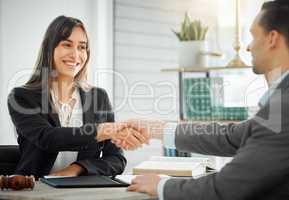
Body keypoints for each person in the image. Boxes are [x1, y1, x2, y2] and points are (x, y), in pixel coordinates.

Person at [115, 0, 289, 199]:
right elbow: (231, 136)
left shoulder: (283, 107)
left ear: (272, 39)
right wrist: (156, 128)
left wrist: (162, 185)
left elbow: (226, 188)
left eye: (253, 36)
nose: (249, 47)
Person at [7, 15, 148, 179]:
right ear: (49, 49)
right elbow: (48, 138)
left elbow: (117, 159)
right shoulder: (22, 97)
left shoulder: (98, 97)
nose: (75, 55)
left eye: (82, 47)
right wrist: (102, 130)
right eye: (67, 45)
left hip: (82, 190)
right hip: (35, 189)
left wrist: (77, 168)